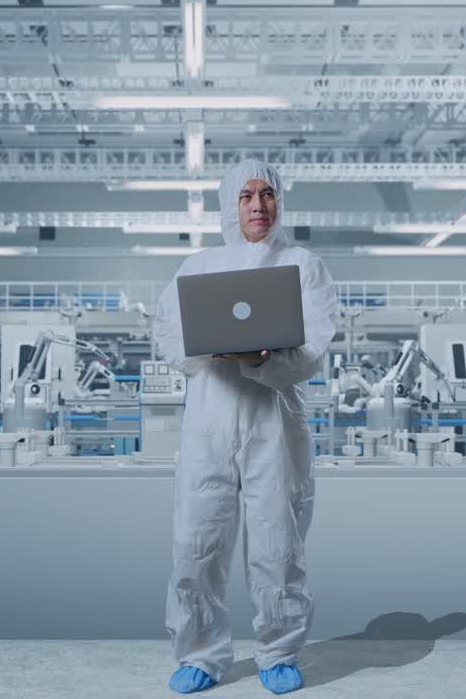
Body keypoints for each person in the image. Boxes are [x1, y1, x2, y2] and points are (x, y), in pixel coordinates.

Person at [154, 159, 339, 694]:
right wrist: (206, 349)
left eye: (267, 195)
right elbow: (167, 332)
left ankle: (278, 651)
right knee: (196, 540)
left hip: (272, 421)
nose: (258, 206)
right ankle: (200, 653)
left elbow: (313, 348)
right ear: (229, 205)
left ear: (280, 201)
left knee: (277, 542)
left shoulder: (304, 265)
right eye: (245, 197)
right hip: (208, 418)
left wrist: (262, 358)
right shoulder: (198, 266)